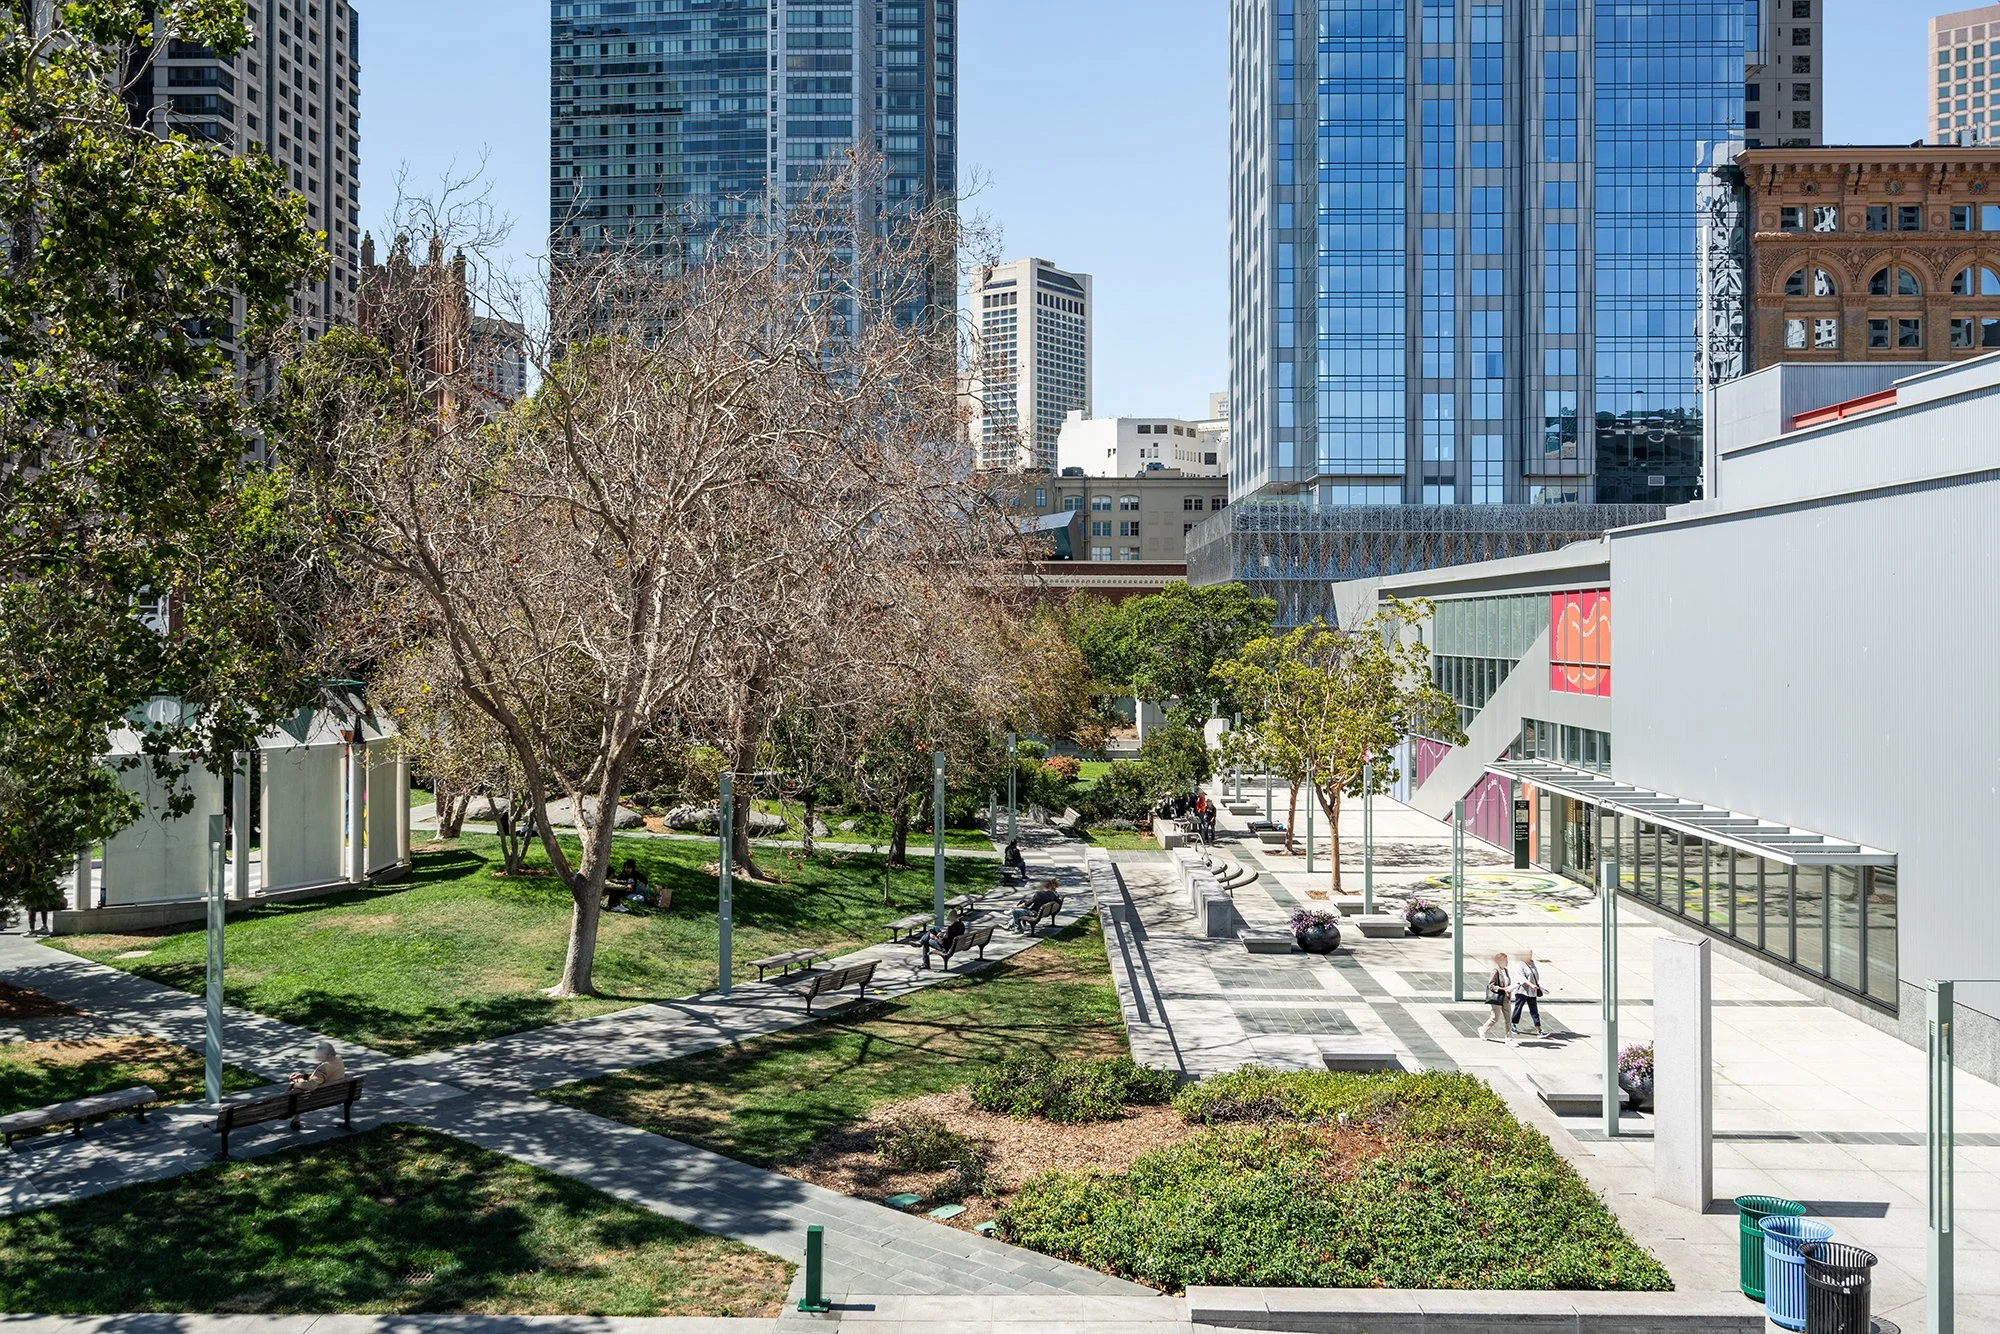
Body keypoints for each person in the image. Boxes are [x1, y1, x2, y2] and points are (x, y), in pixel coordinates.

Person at [287, 1041, 348, 1129]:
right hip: (336, 1094)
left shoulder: (324, 1067)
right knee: (298, 1085)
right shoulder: (338, 1060)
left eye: (318, 1053)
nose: (316, 1055)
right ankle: (296, 1119)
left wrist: (294, 1084)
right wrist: (303, 1076)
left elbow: (311, 1086)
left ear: (325, 1054)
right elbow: (322, 1076)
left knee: (296, 1090)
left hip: (320, 1097)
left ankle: (293, 1117)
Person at [1510, 949, 1550, 1038]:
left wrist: (1536, 986)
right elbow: (1521, 978)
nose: (1529, 956)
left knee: (1534, 1011)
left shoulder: (1532, 963)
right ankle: (1514, 1025)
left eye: (1530, 954)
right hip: (1522, 991)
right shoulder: (1521, 965)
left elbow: (1535, 976)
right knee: (1518, 1008)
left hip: (1532, 992)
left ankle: (1539, 1030)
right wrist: (1531, 985)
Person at [1479, 952, 1513, 1043]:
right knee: (1494, 1018)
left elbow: (1507, 983)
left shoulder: (1506, 971)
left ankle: (1508, 1036)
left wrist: (1510, 989)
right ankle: (1483, 1030)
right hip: (1498, 998)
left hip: (1506, 997)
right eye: (1505, 960)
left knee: (1508, 1018)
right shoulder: (1495, 971)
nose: (1507, 962)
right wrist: (1501, 988)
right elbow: (1490, 985)